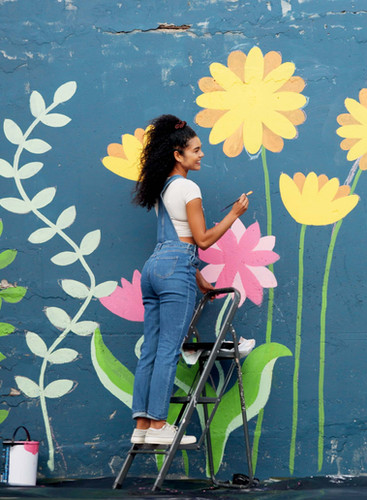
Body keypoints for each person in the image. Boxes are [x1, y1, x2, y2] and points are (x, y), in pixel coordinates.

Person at [129, 114, 249, 445]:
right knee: (169, 348)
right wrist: (234, 214)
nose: (201, 154)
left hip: (155, 268)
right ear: (177, 155)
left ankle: (141, 426)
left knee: (151, 350)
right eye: (195, 150)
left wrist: (196, 276)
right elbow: (203, 239)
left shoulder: (162, 189)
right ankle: (158, 428)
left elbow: (174, 238)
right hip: (175, 268)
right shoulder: (188, 187)